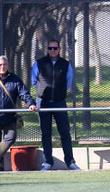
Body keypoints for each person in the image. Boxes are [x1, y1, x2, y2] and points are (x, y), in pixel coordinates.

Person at [31, 39, 79, 171]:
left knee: (65, 132)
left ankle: (70, 162)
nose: (53, 50)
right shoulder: (39, 64)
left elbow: (68, 82)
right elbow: (34, 80)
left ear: (59, 49)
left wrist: (59, 92)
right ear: (47, 49)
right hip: (43, 102)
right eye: (50, 48)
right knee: (46, 133)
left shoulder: (65, 64)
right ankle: (47, 163)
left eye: (55, 48)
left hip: (59, 102)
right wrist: (43, 92)